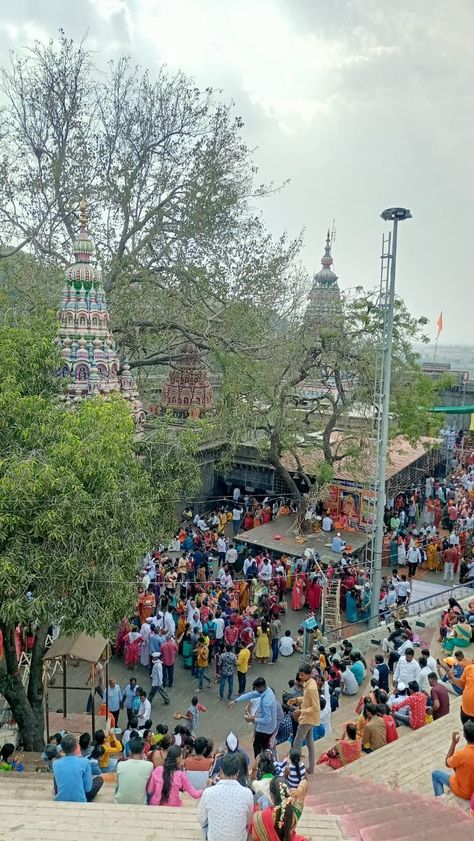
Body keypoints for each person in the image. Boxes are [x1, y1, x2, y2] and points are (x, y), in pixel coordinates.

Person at [198, 752, 254, 841]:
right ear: (237, 773)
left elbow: (201, 819)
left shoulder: (208, 792)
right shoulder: (248, 793)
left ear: (220, 771)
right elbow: (248, 821)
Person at [251, 774, 308, 841]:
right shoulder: (293, 814)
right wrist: (298, 790)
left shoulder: (259, 817)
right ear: (287, 793)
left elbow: (254, 838)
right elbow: (305, 781)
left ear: (272, 796)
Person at [232, 677, 278, 758]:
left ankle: (258, 763)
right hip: (270, 727)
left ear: (261, 687)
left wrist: (252, 719)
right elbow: (251, 694)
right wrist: (236, 700)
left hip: (265, 729)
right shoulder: (268, 690)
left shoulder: (265, 701)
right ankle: (265, 758)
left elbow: (267, 720)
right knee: (264, 747)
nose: (255, 691)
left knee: (257, 746)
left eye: (256, 688)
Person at [289, 664, 320, 775]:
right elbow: (307, 699)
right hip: (310, 718)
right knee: (309, 742)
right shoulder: (310, 683)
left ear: (308, 674)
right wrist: (296, 700)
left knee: (296, 743)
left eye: (302, 675)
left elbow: (315, 707)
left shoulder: (311, 687)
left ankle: (295, 769)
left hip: (308, 718)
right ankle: (310, 768)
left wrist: (300, 711)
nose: (300, 677)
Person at [53, 734, 103, 802]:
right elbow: (87, 788)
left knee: (58, 775)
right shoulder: (85, 761)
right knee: (99, 780)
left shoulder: (55, 763)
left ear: (62, 749)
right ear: (76, 747)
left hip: (60, 798)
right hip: (80, 799)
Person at [432, 722, 474, 799]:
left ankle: (439, 803)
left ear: (464, 735)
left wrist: (453, 743)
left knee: (435, 774)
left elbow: (447, 763)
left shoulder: (460, 755)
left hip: (464, 791)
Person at [115, 736, 152, 804]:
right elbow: (149, 786)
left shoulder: (120, 764)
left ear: (129, 751)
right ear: (143, 750)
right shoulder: (149, 765)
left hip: (119, 801)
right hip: (140, 802)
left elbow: (118, 783)